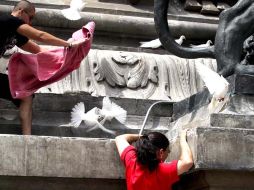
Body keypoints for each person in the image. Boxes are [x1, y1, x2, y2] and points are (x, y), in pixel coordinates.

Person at [0, 0, 85, 135]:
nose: (30, 22)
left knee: (26, 95)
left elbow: (39, 49)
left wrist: (67, 59)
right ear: (21, 11)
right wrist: (68, 45)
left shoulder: (15, 33)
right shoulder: (9, 20)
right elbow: (40, 36)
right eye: (31, 17)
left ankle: (27, 139)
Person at [115, 130, 193, 190]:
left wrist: (144, 138)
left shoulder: (132, 160)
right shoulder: (163, 170)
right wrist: (182, 139)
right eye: (168, 151)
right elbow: (187, 162)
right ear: (161, 152)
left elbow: (120, 138)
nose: (168, 153)